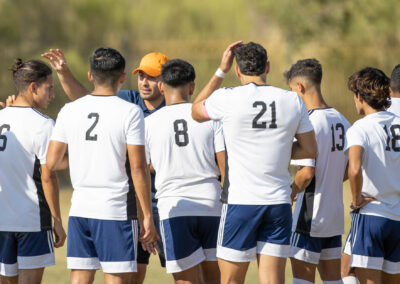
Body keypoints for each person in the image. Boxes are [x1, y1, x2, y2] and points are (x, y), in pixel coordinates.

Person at [192, 41, 317, 284]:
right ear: (267, 67)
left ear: (237, 70)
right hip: (278, 203)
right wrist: (277, 148)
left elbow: (196, 111)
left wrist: (221, 70)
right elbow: (311, 149)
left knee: (231, 280)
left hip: (241, 202)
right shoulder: (291, 100)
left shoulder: (228, 97)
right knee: (273, 280)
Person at [41, 49, 169, 283]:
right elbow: (138, 168)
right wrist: (147, 216)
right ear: (122, 77)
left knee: (79, 277)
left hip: (80, 210)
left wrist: (84, 156)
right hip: (116, 210)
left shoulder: (69, 110)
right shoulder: (130, 112)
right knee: (116, 278)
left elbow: (51, 163)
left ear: (90, 75)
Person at [145, 58, 225, 284]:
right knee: (215, 279)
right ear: (192, 87)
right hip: (211, 204)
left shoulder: (149, 123)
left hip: (174, 208)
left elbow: (145, 168)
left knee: (186, 280)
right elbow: (223, 166)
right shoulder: (210, 118)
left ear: (161, 86)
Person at [0, 59, 66, 284]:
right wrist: (57, 219)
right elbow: (48, 175)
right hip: (32, 221)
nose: (53, 94)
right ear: (33, 87)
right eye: (50, 87)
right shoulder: (44, 124)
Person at [285, 59, 350, 284]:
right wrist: (330, 179)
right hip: (333, 214)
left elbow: (306, 174)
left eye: (291, 90)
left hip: (309, 216)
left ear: (300, 87)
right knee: (333, 280)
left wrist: (290, 193)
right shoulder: (342, 120)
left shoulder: (309, 124)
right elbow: (349, 168)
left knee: (302, 280)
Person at [345, 67, 400, 284]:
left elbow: (354, 169)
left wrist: (357, 198)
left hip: (372, 217)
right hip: (397, 217)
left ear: (360, 97)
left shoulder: (360, 128)